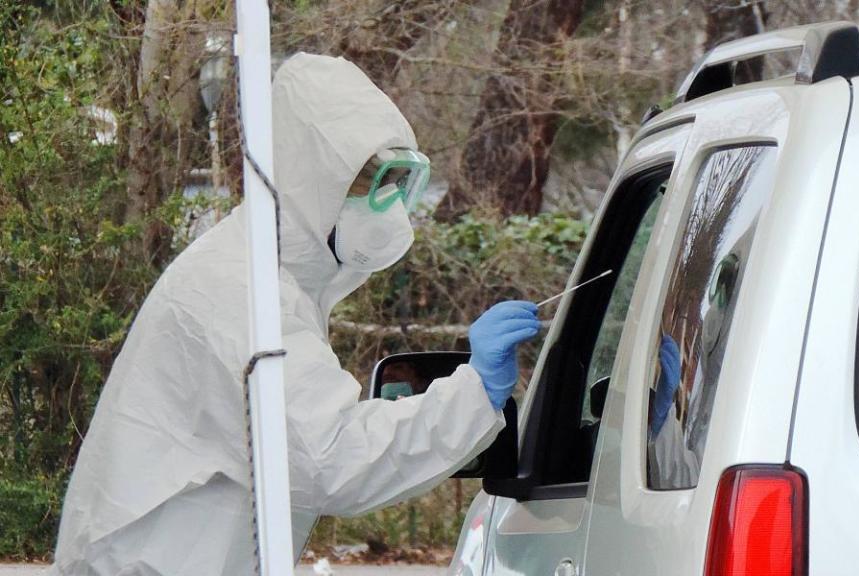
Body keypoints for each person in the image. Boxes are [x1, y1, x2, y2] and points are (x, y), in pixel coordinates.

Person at [48, 53, 540, 576]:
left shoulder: (272, 281)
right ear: (315, 185)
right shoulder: (242, 295)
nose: (390, 208)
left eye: (400, 184)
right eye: (372, 186)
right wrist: (474, 391)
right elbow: (332, 457)